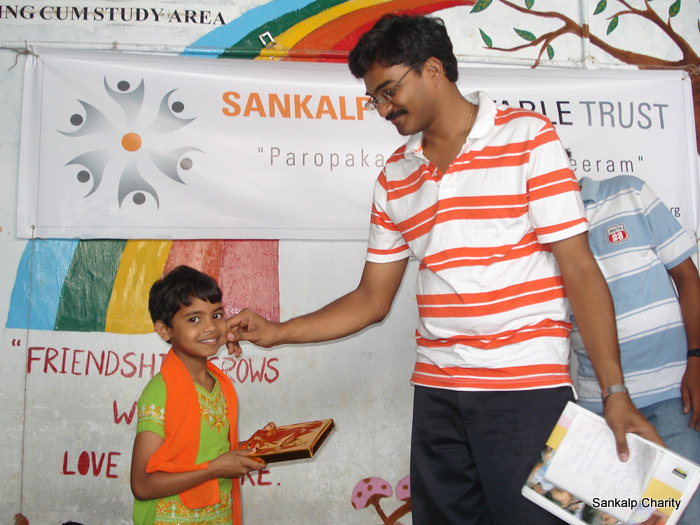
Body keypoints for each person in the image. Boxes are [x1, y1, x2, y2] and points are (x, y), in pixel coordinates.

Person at [226, 14, 661, 525]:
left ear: (432, 70)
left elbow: (580, 270)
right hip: (436, 396)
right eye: (374, 99)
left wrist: (614, 392)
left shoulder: (528, 137)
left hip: (524, 391)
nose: (383, 109)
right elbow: (370, 300)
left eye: (388, 91)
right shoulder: (394, 176)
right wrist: (278, 332)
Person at [572, 175, 700, 524]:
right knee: (620, 518)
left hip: (673, 396)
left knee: (682, 517)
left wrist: (697, 358)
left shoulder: (629, 192)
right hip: (599, 411)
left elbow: (688, 277)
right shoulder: (536, 225)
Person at [130, 265, 269, 525]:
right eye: (194, 319)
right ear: (165, 330)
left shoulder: (219, 385)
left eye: (217, 315)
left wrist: (258, 447)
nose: (211, 327)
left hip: (219, 517)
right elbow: (142, 485)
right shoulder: (161, 391)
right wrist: (216, 468)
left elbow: (206, 453)